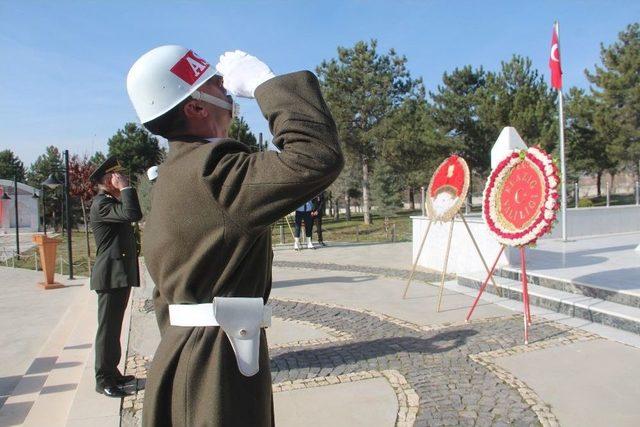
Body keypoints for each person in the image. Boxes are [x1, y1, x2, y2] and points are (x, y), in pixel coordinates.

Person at [126, 46, 343, 426]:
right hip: (215, 365)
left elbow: (166, 296)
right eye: (217, 86)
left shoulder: (173, 176)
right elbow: (316, 155)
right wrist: (264, 83)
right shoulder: (213, 172)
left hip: (188, 353)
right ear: (195, 107)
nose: (228, 91)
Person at [89, 156, 142, 398]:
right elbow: (132, 213)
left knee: (114, 328)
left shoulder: (110, 202)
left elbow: (132, 213)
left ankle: (113, 372)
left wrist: (122, 191)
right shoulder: (102, 203)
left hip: (118, 274)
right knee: (107, 329)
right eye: (116, 175)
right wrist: (126, 189)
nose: (121, 177)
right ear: (106, 180)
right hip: (110, 275)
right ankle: (103, 380)